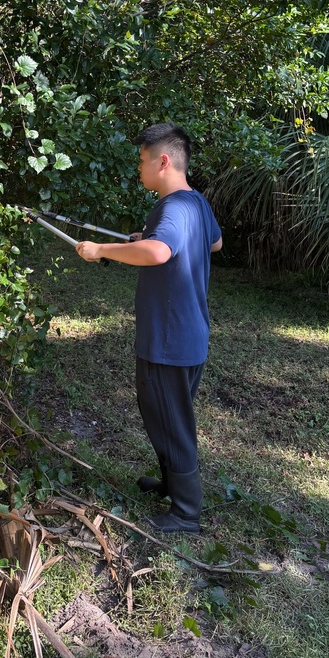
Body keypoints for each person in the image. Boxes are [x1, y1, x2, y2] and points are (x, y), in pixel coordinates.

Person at [76, 123, 222, 533]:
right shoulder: (196, 204)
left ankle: (186, 513)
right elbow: (213, 244)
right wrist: (150, 237)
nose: (138, 169)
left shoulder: (173, 208)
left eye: (142, 161)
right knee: (166, 414)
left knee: (170, 420)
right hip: (190, 335)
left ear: (163, 161)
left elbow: (159, 252)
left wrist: (101, 249)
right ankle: (171, 484)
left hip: (168, 340)